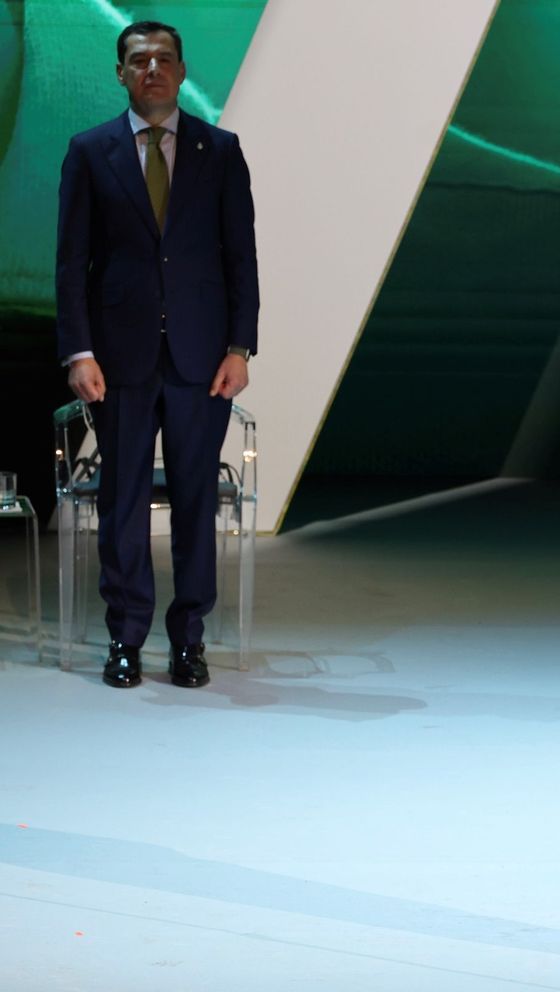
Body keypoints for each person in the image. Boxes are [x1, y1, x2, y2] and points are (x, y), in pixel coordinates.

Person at [55, 20, 259, 689]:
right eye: (138, 59)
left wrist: (241, 345)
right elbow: (71, 264)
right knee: (123, 502)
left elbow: (240, 259)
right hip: (116, 363)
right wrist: (78, 351)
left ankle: (188, 642)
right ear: (120, 72)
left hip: (204, 362)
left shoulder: (220, 151)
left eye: (164, 58)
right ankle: (125, 640)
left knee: (198, 503)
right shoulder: (89, 153)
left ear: (181, 69)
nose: (152, 69)